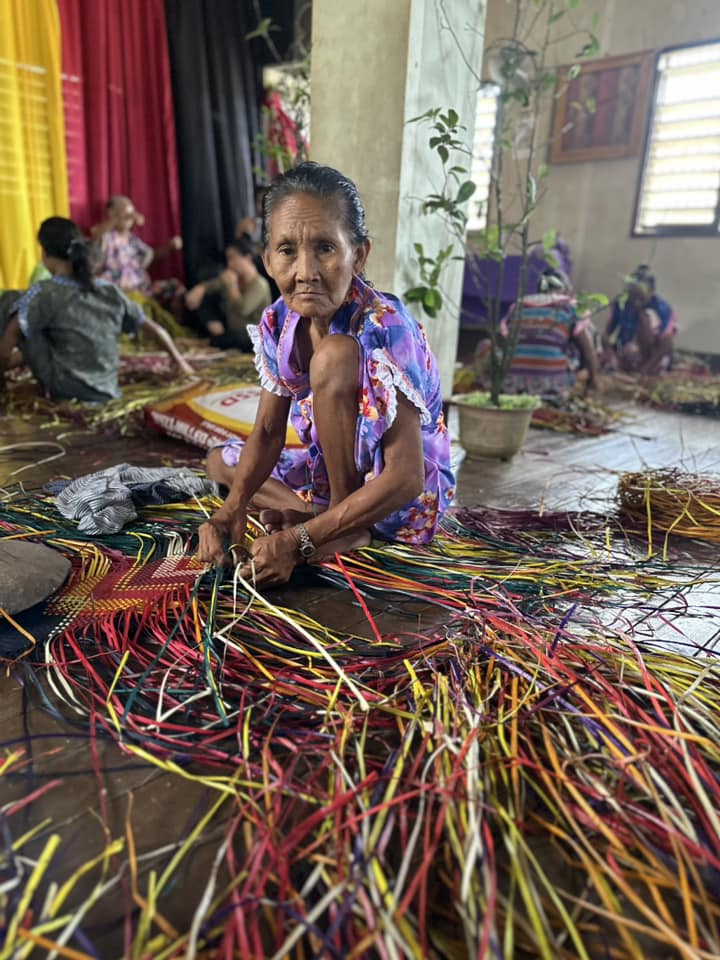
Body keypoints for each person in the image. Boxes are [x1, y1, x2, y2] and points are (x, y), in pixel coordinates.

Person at [196, 162, 455, 584]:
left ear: (359, 254)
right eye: (286, 251)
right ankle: (334, 518)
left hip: (400, 496)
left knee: (333, 356)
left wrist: (299, 540)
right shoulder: (279, 322)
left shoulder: (385, 328)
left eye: (325, 248)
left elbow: (406, 477)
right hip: (332, 473)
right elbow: (266, 431)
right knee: (220, 462)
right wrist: (231, 511)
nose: (305, 272)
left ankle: (341, 524)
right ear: (266, 260)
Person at [0, 217, 193, 402]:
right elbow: (155, 328)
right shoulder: (109, 290)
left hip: (66, 387)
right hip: (107, 388)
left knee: (13, 301)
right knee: (36, 319)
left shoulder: (45, 292)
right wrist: (180, 362)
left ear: (45, 255)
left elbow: (11, 336)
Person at [501, 269, 599, 397]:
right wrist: (593, 380)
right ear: (565, 289)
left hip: (512, 385)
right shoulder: (571, 306)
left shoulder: (518, 305)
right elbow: (589, 351)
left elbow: (504, 344)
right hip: (551, 387)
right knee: (586, 370)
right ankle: (576, 388)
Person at [184, 236, 271, 350]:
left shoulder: (259, 285)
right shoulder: (234, 277)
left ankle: (208, 342)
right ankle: (213, 338)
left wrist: (232, 286)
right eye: (228, 259)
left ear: (247, 258)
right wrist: (200, 289)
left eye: (233, 258)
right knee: (204, 300)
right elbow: (213, 285)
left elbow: (242, 309)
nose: (230, 264)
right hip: (230, 328)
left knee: (238, 337)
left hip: (251, 335)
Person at [603, 265, 677, 375]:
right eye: (633, 296)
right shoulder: (621, 304)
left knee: (644, 318)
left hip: (653, 356)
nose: (636, 302)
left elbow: (667, 344)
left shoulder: (662, 308)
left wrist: (644, 370)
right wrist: (611, 355)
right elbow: (606, 335)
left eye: (641, 298)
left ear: (651, 292)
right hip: (628, 350)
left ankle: (647, 367)